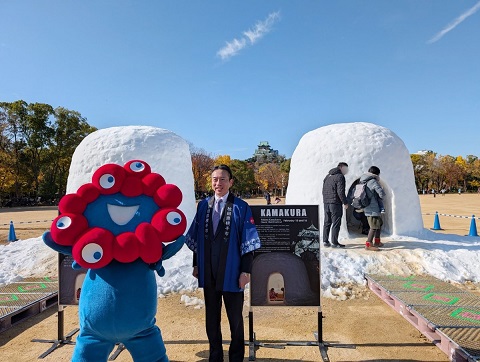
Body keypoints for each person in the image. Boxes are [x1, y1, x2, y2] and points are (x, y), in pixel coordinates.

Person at [186, 164, 261, 362]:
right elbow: (197, 241)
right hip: (208, 270)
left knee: (235, 319)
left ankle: (236, 357)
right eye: (214, 179)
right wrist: (196, 264)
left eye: (222, 179)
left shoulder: (240, 207)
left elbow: (248, 241)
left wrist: (246, 271)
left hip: (232, 271)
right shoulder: (203, 205)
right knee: (211, 318)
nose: (218, 183)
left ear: (231, 182)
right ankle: (215, 356)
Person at [322, 162, 349, 248]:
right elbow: (340, 191)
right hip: (335, 203)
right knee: (336, 223)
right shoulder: (340, 176)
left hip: (326, 202)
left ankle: (325, 241)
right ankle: (334, 242)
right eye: (345, 168)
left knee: (327, 222)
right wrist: (345, 202)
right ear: (341, 167)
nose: (346, 171)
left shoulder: (328, 176)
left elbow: (323, 189)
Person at [360, 166, 386, 251]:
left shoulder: (363, 181)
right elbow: (381, 193)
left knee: (379, 224)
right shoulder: (373, 181)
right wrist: (382, 194)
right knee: (374, 226)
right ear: (376, 174)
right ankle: (368, 244)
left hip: (367, 206)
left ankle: (377, 241)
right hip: (373, 207)